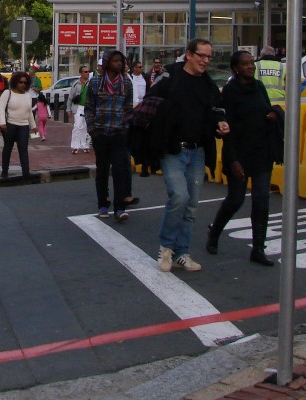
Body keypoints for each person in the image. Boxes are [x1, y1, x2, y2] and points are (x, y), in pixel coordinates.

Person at [147, 38, 229, 273]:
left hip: (198, 149)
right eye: (202, 55)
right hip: (173, 149)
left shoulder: (207, 84)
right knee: (179, 197)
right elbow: (149, 103)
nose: (206, 60)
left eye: (209, 56)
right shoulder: (169, 76)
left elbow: (217, 107)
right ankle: (166, 249)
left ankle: (182, 252)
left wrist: (221, 121)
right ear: (189, 55)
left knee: (192, 204)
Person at [206, 50, 282, 267]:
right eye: (245, 64)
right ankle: (215, 232)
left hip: (261, 152)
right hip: (239, 153)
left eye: (252, 63)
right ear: (235, 68)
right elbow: (227, 130)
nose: (250, 66)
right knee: (236, 199)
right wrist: (233, 160)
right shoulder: (230, 92)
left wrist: (273, 114)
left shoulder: (259, 87)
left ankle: (258, 248)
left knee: (261, 200)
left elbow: (267, 108)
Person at [84, 49, 134, 221]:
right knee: (102, 170)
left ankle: (120, 207)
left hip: (118, 132)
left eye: (120, 61)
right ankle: (103, 204)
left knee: (119, 170)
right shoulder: (96, 82)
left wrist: (126, 127)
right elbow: (89, 107)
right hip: (100, 132)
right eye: (114, 61)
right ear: (107, 63)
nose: (118, 64)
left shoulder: (126, 83)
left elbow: (128, 108)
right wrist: (92, 130)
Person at [0, 71, 35, 178]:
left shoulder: (28, 95)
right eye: (20, 82)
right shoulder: (7, 93)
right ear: (15, 82)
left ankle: (26, 172)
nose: (23, 84)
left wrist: (34, 126)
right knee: (8, 148)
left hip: (24, 125)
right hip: (10, 125)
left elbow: (29, 112)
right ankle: (4, 171)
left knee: (23, 148)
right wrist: (2, 123)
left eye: (25, 83)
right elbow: (1, 108)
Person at [67, 66, 92, 154]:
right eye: (85, 72)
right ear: (81, 73)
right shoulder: (75, 84)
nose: (87, 73)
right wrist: (68, 109)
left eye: (88, 71)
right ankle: (75, 146)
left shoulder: (91, 83)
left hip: (88, 108)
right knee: (77, 126)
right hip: (78, 107)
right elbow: (70, 97)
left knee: (85, 127)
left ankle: (84, 145)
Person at [28, 67, 47, 141]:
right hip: (27, 97)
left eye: (30, 71)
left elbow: (40, 88)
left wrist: (35, 89)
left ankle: (34, 134)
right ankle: (28, 132)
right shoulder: (27, 78)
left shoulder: (37, 80)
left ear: (33, 72)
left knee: (32, 115)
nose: (28, 72)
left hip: (33, 98)